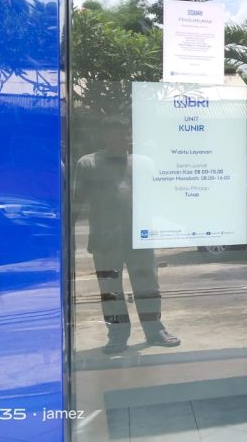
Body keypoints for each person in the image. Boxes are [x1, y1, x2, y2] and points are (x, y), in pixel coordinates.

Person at [73, 118, 181, 355]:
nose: (121, 138)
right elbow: (76, 201)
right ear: (104, 136)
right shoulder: (88, 164)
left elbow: (160, 199)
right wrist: (66, 233)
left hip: (139, 238)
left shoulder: (144, 163)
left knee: (148, 286)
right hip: (104, 240)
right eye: (115, 134)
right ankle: (117, 335)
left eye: (125, 134)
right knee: (110, 290)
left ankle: (155, 330)